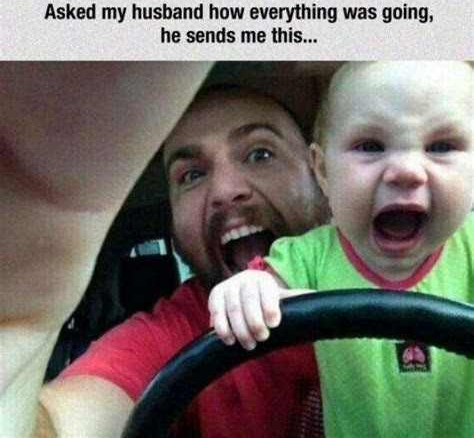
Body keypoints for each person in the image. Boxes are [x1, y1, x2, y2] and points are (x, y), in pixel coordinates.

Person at [36, 85, 330, 436]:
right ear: (174, 232)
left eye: (260, 154)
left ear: (323, 176)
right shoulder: (172, 334)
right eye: (192, 175)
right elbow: (64, 421)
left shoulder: (392, 274)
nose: (225, 191)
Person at [209, 61, 474, 437]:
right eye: (370, 147)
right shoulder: (307, 256)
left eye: (441, 147)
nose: (407, 171)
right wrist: (247, 292)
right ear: (322, 172)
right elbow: (259, 287)